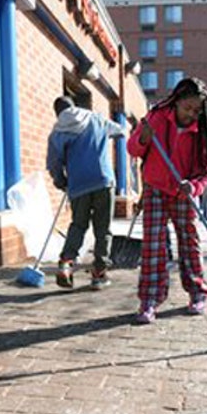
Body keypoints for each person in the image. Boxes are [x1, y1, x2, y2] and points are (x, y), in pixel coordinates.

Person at [127, 78, 207, 323]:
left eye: (197, 111)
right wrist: (143, 139)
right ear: (176, 102)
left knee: (190, 242)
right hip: (155, 188)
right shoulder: (156, 118)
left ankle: (198, 293)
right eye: (188, 108)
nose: (192, 114)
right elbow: (133, 149)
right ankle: (149, 301)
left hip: (183, 192)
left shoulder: (202, 131)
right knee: (153, 245)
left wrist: (194, 186)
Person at [47, 96, 125, 290]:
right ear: (74, 106)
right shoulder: (95, 118)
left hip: (78, 185)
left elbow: (54, 163)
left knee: (78, 225)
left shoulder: (57, 132)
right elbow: (121, 130)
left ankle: (66, 263)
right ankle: (99, 273)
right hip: (103, 181)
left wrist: (61, 181)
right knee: (102, 229)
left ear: (57, 113)